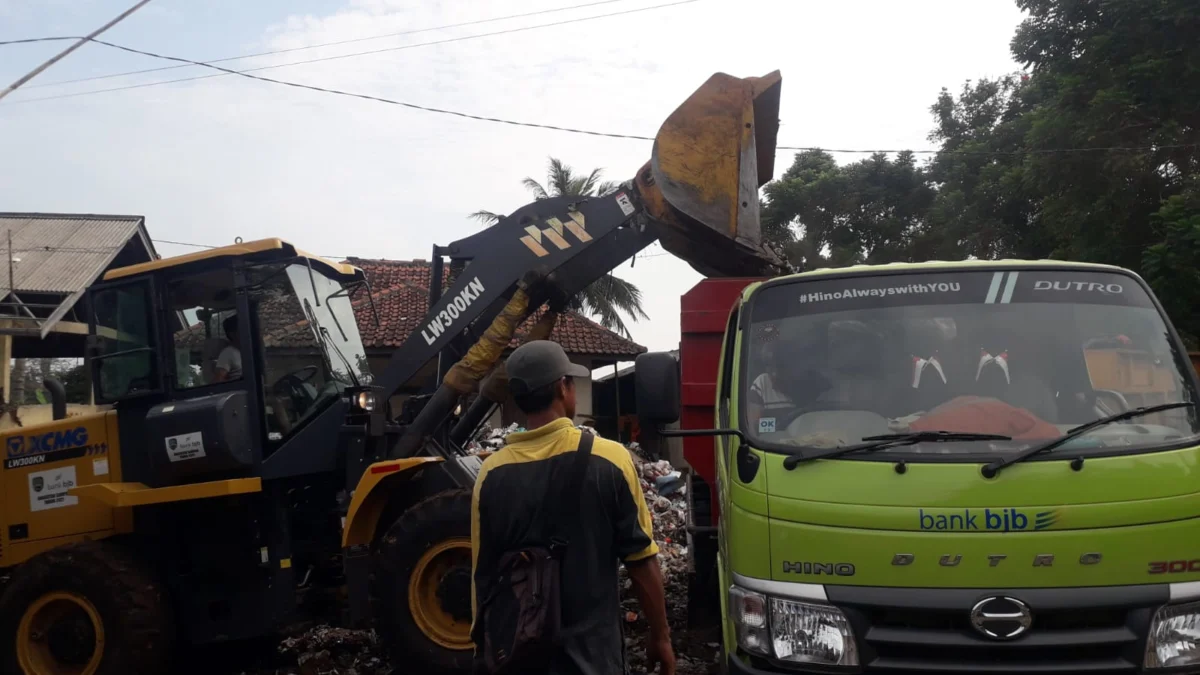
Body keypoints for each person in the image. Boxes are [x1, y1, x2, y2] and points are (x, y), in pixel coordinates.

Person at [470, 340, 675, 675]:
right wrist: (661, 636)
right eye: (571, 382)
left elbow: (483, 575)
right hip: (594, 660)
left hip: (520, 657)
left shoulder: (490, 475)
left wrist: (485, 652)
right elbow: (641, 561)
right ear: (562, 388)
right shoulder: (610, 459)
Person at [214, 314, 242, 382]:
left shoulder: (250, 351)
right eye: (241, 329)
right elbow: (218, 381)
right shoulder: (228, 353)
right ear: (232, 334)